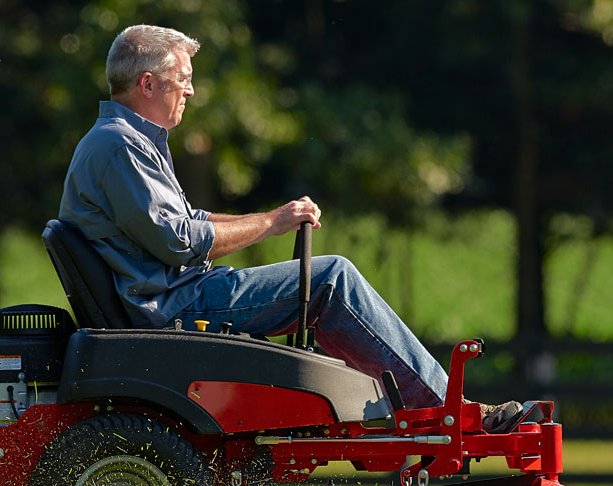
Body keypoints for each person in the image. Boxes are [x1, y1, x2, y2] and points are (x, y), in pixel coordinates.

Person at [56, 24, 522, 431]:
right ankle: (448, 414)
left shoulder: (123, 142)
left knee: (326, 279)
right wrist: (274, 222)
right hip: (175, 307)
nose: (191, 91)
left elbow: (186, 223)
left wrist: (273, 218)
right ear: (148, 83)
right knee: (331, 278)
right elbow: (180, 242)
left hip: (172, 297)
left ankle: (394, 413)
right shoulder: (121, 147)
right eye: (184, 79)